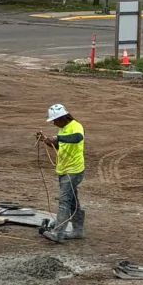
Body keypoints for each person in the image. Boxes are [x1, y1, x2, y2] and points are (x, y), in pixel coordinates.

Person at [39, 101, 86, 241]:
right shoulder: (63, 129)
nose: (53, 124)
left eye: (54, 121)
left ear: (61, 118)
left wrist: (57, 138)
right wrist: (47, 141)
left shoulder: (76, 126)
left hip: (73, 171)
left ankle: (58, 233)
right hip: (64, 170)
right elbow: (60, 145)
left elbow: (77, 138)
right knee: (72, 202)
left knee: (64, 201)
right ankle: (78, 231)